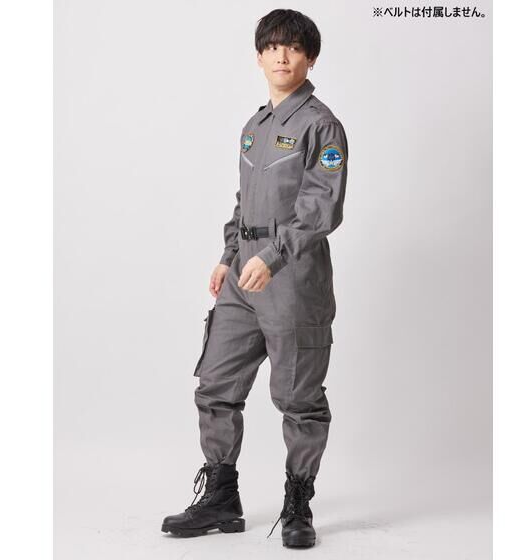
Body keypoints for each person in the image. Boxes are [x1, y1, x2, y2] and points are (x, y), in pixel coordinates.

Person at [162, 8, 348, 548]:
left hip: (292, 278)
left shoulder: (321, 125)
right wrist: (229, 255)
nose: (281, 56)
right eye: (271, 47)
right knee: (215, 384)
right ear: (259, 57)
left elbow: (322, 208)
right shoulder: (255, 127)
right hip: (242, 276)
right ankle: (222, 498)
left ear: (310, 58)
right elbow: (245, 201)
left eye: (293, 47)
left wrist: (273, 256)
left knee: (299, 398)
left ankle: (298, 504)